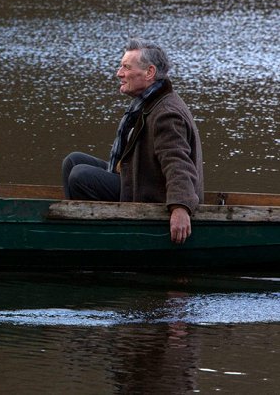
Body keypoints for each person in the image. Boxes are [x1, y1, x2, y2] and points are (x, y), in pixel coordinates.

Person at [62, 38, 203, 244]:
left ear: (149, 73)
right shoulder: (150, 102)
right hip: (141, 179)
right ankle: (77, 227)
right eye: (121, 66)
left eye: (126, 67)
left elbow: (178, 163)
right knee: (73, 161)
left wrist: (180, 208)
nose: (119, 73)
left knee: (80, 176)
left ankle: (96, 239)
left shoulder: (166, 113)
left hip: (152, 196)